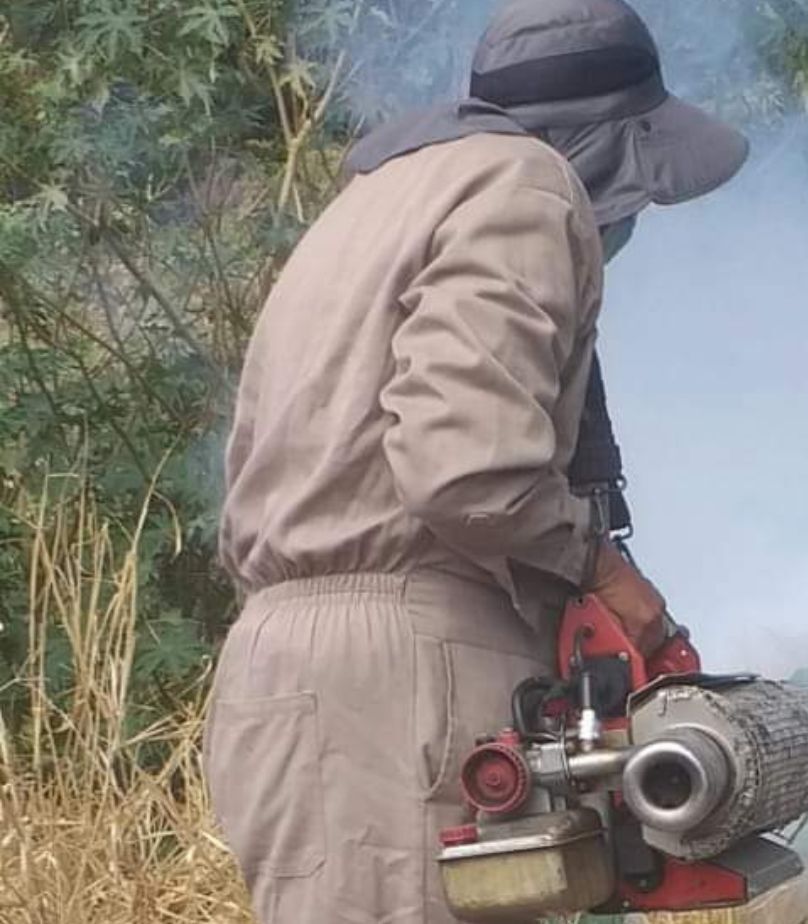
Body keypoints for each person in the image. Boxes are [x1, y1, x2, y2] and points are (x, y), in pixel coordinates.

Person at [204, 1, 748, 921]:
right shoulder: (526, 184)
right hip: (400, 679)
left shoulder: (382, 196)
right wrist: (605, 572)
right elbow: (468, 471)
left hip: (298, 669)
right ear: (612, 143)